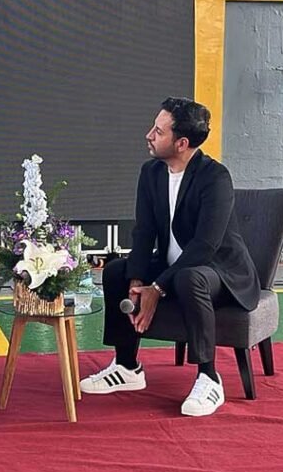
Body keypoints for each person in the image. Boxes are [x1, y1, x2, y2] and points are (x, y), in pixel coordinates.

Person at [79, 97, 260, 416]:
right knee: (117, 271)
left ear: (182, 143)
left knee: (190, 277)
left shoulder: (215, 178)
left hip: (219, 272)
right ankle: (127, 367)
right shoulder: (151, 173)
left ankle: (209, 377)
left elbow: (205, 246)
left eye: (158, 131)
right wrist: (137, 281)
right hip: (171, 266)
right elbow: (144, 232)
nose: (149, 135)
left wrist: (156, 288)